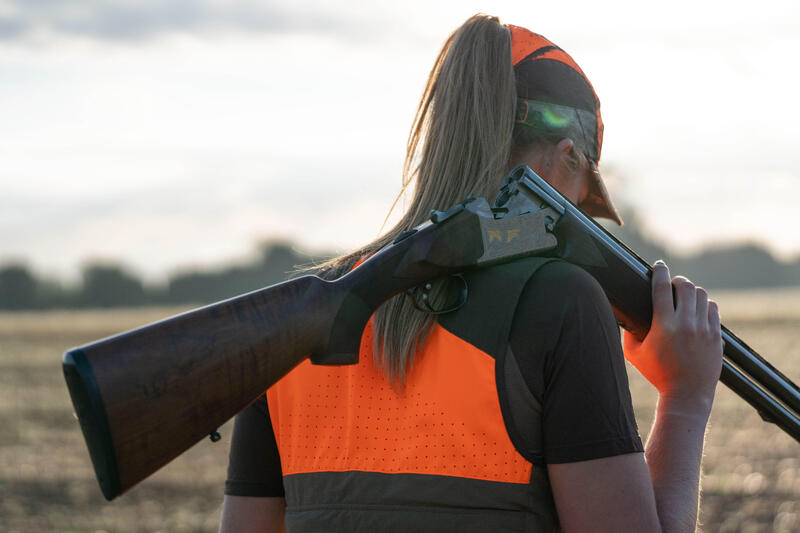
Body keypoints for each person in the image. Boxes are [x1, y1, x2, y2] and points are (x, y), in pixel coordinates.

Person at [219, 14, 723, 533]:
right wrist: (685, 399)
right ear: (565, 157)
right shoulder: (559, 299)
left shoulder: (293, 325)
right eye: (582, 195)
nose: (577, 214)